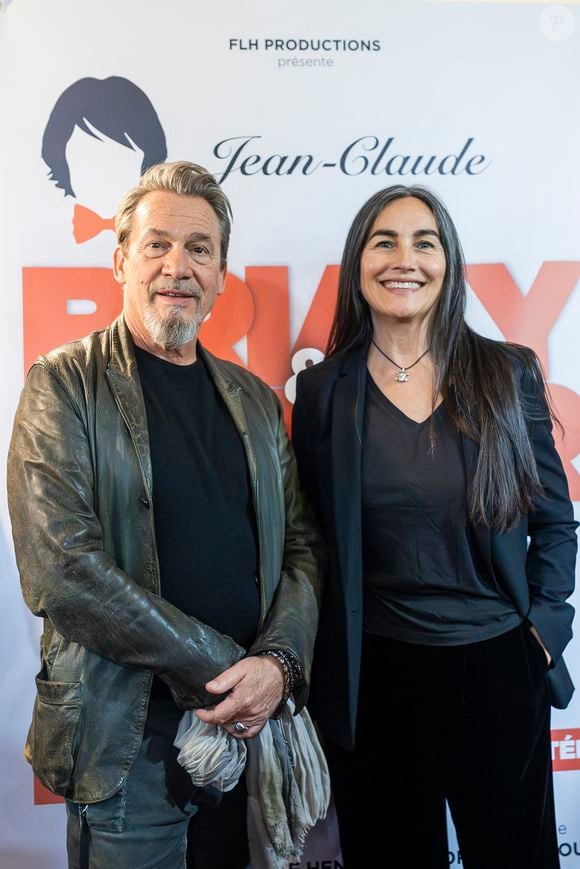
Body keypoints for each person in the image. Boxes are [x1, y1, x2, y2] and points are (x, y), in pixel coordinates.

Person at [8, 160, 323, 869]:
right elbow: (62, 571)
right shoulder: (63, 384)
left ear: (220, 274)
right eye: (157, 244)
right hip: (126, 751)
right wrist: (229, 672)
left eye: (199, 249)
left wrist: (276, 664)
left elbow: (302, 545)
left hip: (250, 742)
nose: (176, 266)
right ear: (121, 259)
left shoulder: (254, 400)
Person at [292, 185, 577, 869]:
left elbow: (555, 520)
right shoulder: (323, 392)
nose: (404, 258)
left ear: (449, 262)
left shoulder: (506, 374)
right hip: (377, 679)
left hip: (499, 666)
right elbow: (313, 543)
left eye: (425, 241)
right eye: (383, 240)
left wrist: (544, 627)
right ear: (357, 263)